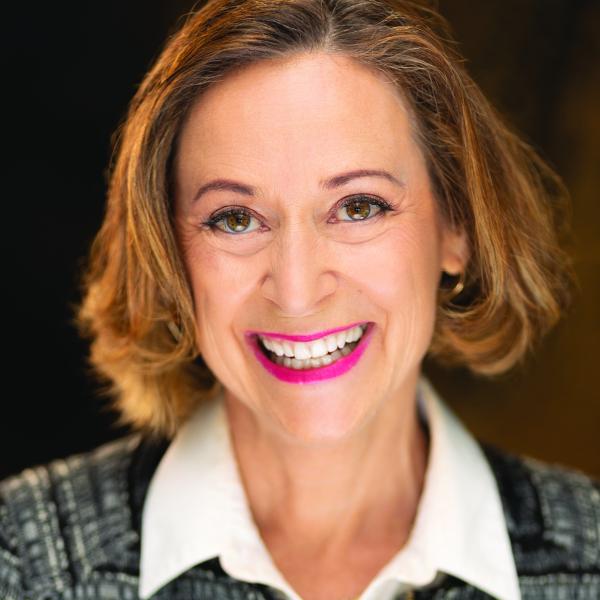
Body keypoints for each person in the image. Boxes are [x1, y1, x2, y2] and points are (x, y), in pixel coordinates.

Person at [1, 0, 598, 599]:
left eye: (358, 207)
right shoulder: (20, 562)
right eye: (235, 218)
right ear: (168, 252)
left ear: (457, 225)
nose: (296, 291)